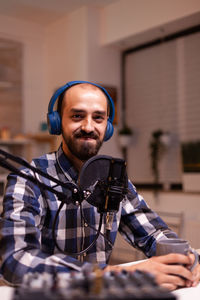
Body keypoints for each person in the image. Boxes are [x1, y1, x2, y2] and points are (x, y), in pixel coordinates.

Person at [0, 81, 199, 291]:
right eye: (77, 116)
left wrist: (187, 260)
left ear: (108, 126)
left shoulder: (114, 179)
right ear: (57, 122)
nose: (88, 127)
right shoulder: (28, 179)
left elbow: (153, 233)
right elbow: (15, 261)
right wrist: (115, 276)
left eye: (98, 118)